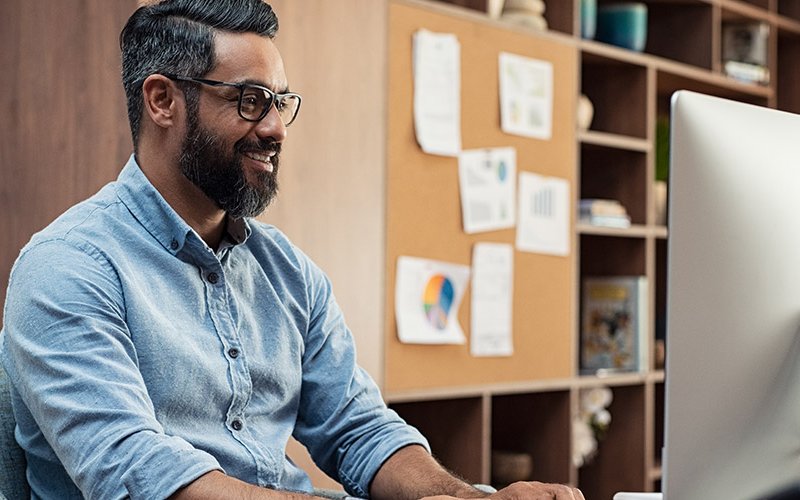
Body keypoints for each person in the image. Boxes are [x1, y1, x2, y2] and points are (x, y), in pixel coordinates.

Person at [0, 1, 585, 499]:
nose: (277, 127)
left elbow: (357, 427)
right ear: (162, 101)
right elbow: (139, 474)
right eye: (251, 100)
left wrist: (458, 496)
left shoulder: (286, 271)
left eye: (281, 102)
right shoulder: (68, 267)